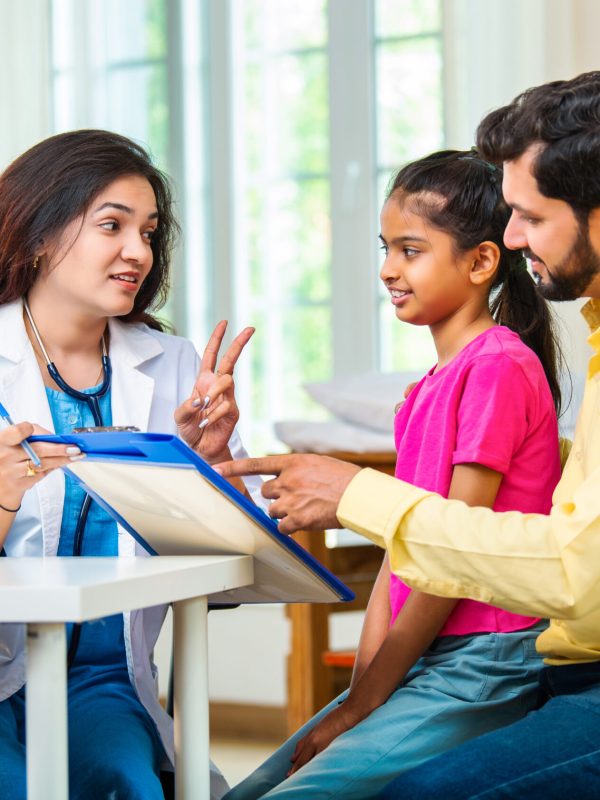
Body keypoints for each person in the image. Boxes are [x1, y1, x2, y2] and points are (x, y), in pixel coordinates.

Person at [216, 71, 600, 798]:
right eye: (385, 248)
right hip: (443, 655)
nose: (388, 269)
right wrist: (362, 691)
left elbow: (453, 559)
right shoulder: (425, 391)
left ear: (481, 262)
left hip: (485, 654)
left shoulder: (498, 366)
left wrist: (365, 701)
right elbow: (406, 557)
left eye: (411, 250)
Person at [0, 129, 260, 800]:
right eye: (112, 226)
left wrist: (213, 466)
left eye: (149, 231)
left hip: (101, 678)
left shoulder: (172, 367)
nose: (137, 252)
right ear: (37, 233)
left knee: (123, 784)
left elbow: (235, 578)